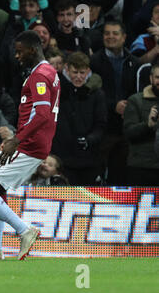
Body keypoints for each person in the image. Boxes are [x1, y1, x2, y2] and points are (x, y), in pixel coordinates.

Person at [0, 30, 60, 261]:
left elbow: (41, 114)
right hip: (33, 142)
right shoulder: (48, 71)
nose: (17, 56)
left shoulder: (39, 75)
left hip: (29, 144)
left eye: (20, 51)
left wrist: (16, 140)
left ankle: (24, 230)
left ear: (32, 49)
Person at [90, 20, 141, 186]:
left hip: (126, 127)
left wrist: (129, 107)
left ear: (124, 37)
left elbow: (137, 91)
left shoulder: (134, 62)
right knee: (97, 172)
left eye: (115, 33)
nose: (110, 37)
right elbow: (92, 92)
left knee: (121, 174)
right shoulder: (94, 62)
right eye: (107, 33)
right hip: (102, 126)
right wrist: (114, 105)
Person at [51, 51, 107, 186]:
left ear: (88, 71)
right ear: (67, 69)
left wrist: (89, 140)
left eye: (82, 73)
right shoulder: (57, 90)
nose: (78, 77)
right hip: (62, 158)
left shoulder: (97, 94)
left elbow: (101, 124)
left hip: (89, 159)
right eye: (75, 72)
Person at [123, 63, 159, 186]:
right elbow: (128, 133)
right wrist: (147, 125)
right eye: (158, 77)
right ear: (151, 78)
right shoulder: (135, 101)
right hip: (141, 167)